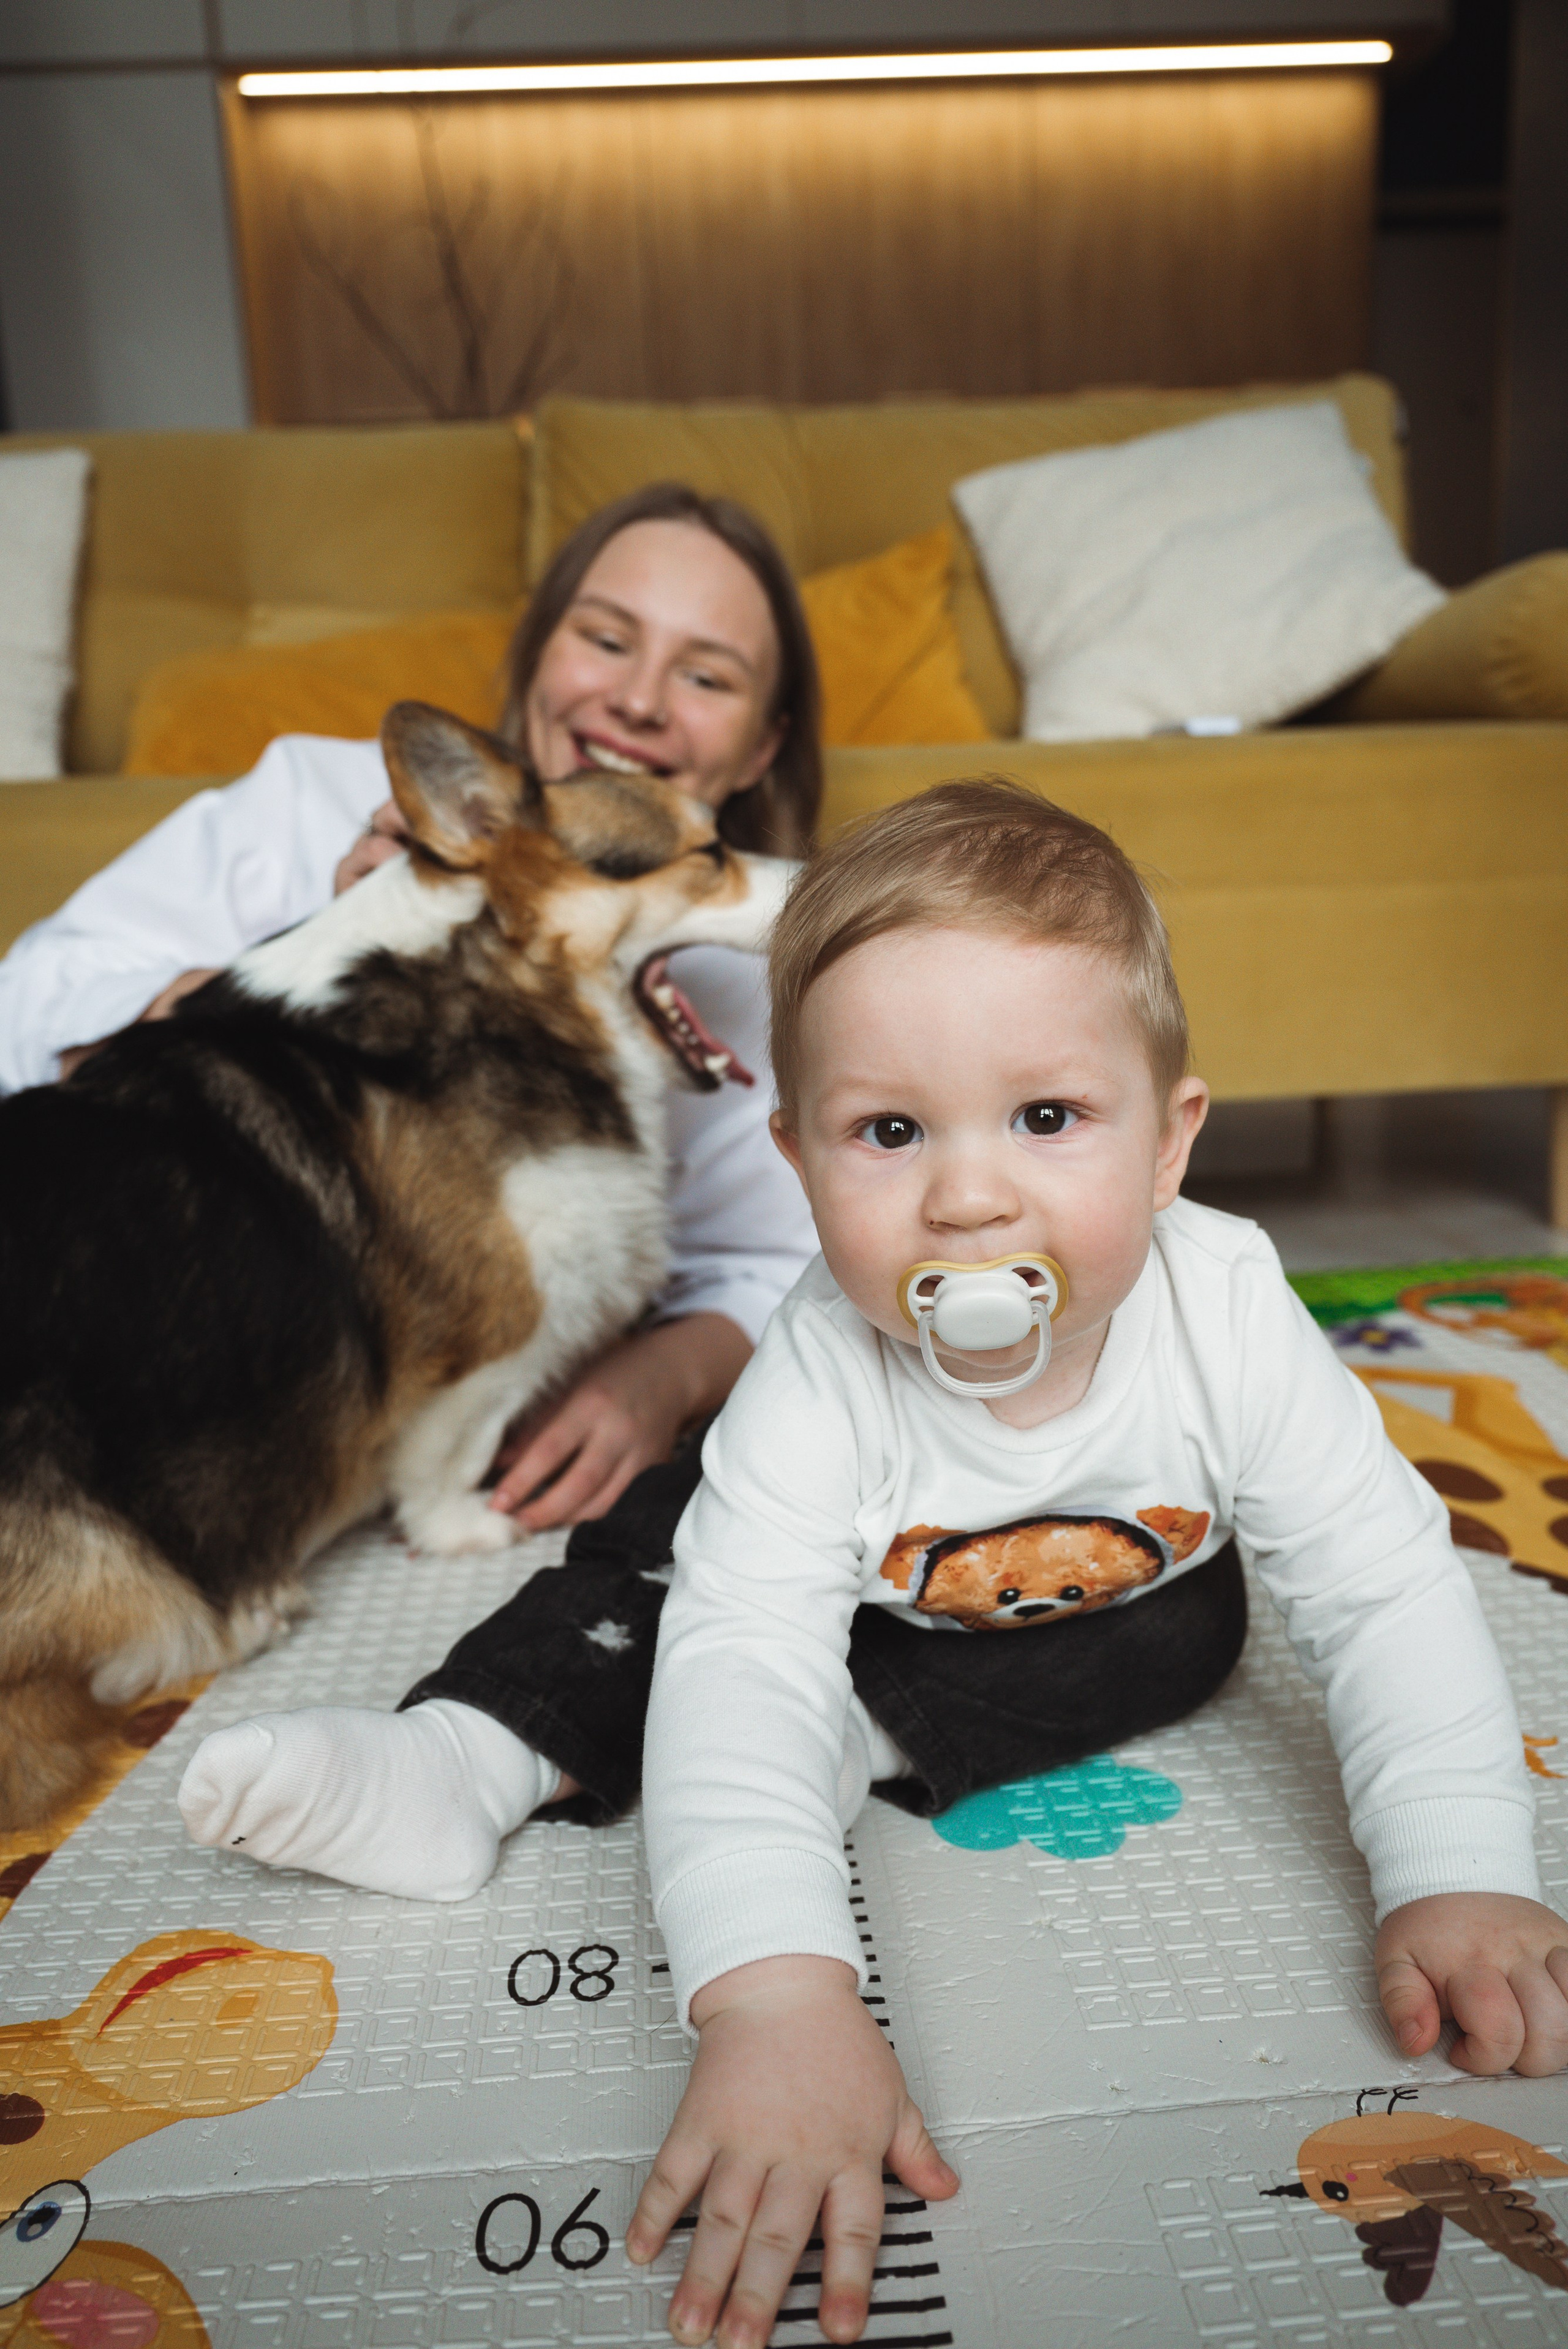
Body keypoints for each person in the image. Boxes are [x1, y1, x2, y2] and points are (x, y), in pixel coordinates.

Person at [0, 481, 821, 1533]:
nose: (642, 701)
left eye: (706, 675)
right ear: (534, 658)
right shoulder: (307, 802)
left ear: (760, 745)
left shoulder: (751, 976)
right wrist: (305, 977)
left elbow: (785, 1257)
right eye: (606, 640)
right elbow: (33, 996)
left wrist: (662, 1379)